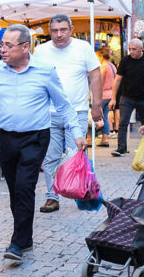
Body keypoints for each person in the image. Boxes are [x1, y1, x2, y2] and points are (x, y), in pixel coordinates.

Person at [0, 24, 86, 261]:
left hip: (36, 138)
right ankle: (25, 237)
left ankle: (17, 243)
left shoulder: (45, 70)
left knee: (24, 187)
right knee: (14, 189)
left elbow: (63, 105)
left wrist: (77, 132)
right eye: (1, 45)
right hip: (5, 137)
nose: (3, 50)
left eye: (8, 45)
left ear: (25, 47)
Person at [31, 14, 103, 213]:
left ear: (70, 29)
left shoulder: (83, 48)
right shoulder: (41, 51)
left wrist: (96, 104)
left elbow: (95, 75)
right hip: (49, 113)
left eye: (63, 30)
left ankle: (80, 190)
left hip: (77, 111)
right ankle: (52, 196)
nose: (59, 34)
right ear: (49, 31)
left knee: (75, 154)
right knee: (50, 156)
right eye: (54, 31)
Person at [110, 38, 144, 157]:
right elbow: (117, 80)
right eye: (130, 49)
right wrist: (113, 98)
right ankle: (121, 148)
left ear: (141, 49)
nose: (131, 51)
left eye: (134, 49)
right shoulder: (125, 61)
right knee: (123, 123)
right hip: (127, 97)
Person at [98, 47, 116, 147]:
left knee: (98, 116)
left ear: (101, 56)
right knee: (104, 116)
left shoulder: (103, 66)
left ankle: (92, 137)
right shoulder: (112, 66)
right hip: (111, 94)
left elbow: (100, 83)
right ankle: (105, 139)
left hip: (103, 94)